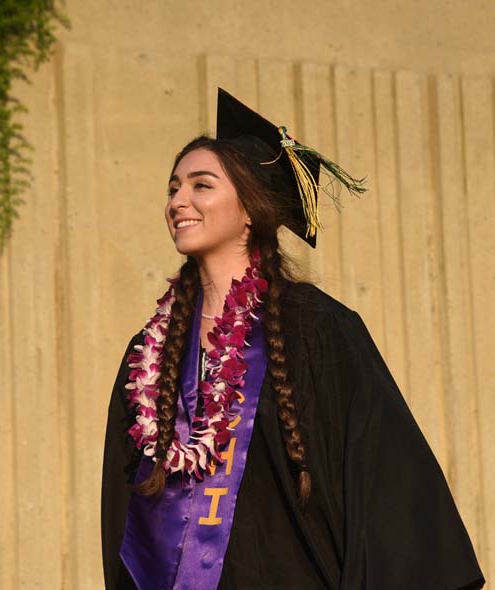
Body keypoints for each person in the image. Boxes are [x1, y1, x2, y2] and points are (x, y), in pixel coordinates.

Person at [100, 88, 485, 590]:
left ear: (250, 210)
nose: (178, 202)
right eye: (173, 188)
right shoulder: (150, 355)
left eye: (201, 186)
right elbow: (125, 511)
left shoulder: (316, 330)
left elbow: (385, 486)